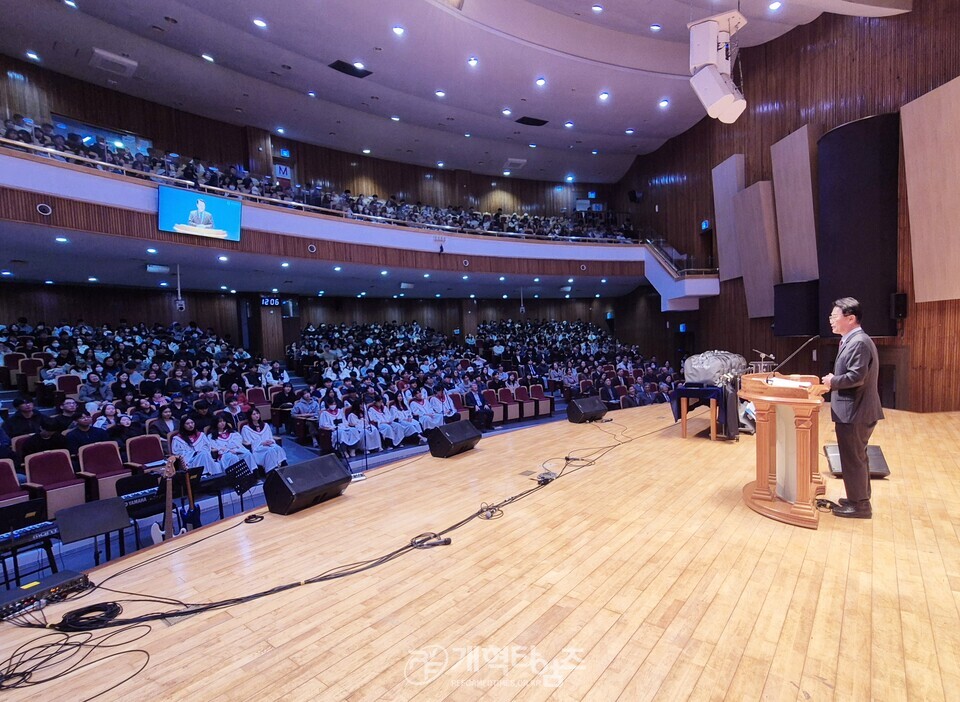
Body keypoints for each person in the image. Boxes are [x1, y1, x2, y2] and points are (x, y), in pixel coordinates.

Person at [821, 297, 884, 519]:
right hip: (854, 410)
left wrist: (832, 381)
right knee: (856, 457)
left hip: (856, 411)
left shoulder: (858, 342)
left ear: (850, 318)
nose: (831, 320)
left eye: (834, 316)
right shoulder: (851, 339)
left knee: (853, 458)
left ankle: (860, 506)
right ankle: (858, 498)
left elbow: (856, 377)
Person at [241, 408, 287, 472]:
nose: (256, 415)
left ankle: (283, 467)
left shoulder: (265, 425)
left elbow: (270, 437)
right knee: (270, 451)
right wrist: (262, 443)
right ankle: (271, 471)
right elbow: (247, 441)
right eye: (254, 414)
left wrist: (270, 441)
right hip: (257, 448)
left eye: (257, 413)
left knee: (277, 448)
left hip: (269, 444)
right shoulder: (246, 428)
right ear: (250, 416)